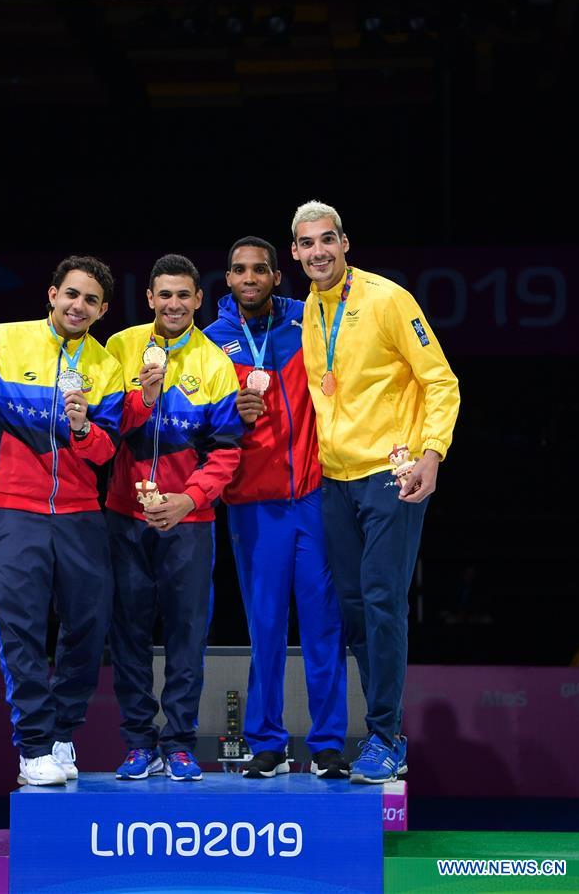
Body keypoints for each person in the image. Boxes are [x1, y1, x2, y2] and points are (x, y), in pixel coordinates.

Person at [292, 200, 460, 783]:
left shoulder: (388, 300)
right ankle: (379, 733)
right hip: (334, 480)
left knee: (385, 600)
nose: (318, 252)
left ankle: (386, 737)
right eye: (307, 244)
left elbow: (440, 380)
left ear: (345, 243)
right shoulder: (307, 312)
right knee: (356, 608)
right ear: (296, 252)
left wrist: (431, 454)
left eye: (327, 240)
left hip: (393, 474)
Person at [0, 255, 123, 787]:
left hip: (79, 513)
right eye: (71, 294)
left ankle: (64, 733)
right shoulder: (4, 339)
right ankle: (35, 747)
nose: (78, 305)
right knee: (20, 630)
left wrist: (85, 428)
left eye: (90, 299)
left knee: (88, 628)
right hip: (10, 507)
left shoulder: (105, 365)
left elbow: (106, 450)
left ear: (102, 310)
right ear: (51, 294)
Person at [203, 237, 349, 780]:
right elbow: (202, 427)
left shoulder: (304, 324)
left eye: (259, 269)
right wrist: (231, 415)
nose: (249, 277)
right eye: (239, 269)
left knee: (322, 625)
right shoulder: (214, 343)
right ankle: (268, 742)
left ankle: (329, 743)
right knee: (265, 624)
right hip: (252, 504)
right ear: (227, 278)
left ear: (276, 276)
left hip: (311, 496)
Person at [105, 253, 242, 782]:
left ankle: (180, 741)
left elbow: (227, 450)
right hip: (126, 516)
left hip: (190, 521)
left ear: (198, 299)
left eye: (184, 295)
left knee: (187, 633)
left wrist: (189, 498)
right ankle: (139, 742)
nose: (174, 304)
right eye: (165, 295)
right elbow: (104, 427)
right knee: (130, 631)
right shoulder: (119, 348)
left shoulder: (215, 363)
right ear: (149, 299)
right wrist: (144, 392)